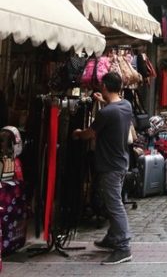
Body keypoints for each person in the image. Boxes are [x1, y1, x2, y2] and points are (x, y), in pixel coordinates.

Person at [72, 72, 133, 265]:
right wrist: (103, 101)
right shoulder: (126, 105)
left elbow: (90, 133)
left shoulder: (105, 113)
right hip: (121, 162)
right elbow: (113, 111)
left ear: (105, 86)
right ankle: (112, 238)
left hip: (110, 166)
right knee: (111, 202)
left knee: (114, 206)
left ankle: (123, 247)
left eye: (101, 86)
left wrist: (77, 133)